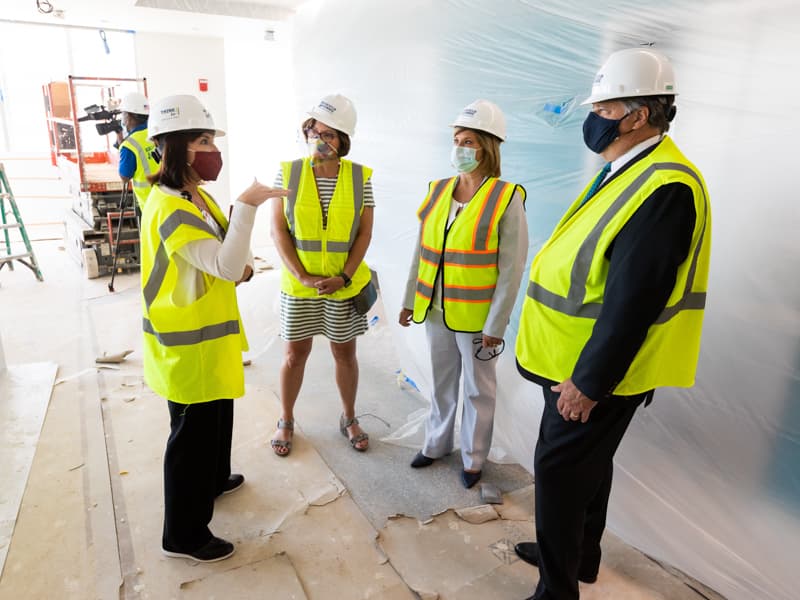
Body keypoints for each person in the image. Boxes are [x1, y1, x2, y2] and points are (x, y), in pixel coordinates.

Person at [514, 48, 712, 599]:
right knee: (588, 468)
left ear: (638, 115)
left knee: (557, 474)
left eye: (603, 107)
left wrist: (589, 384)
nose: (593, 117)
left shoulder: (664, 185)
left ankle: (556, 590)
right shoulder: (630, 169)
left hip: (595, 374)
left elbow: (636, 300)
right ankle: (581, 557)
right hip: (573, 360)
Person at [140, 94, 288, 562]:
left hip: (210, 332)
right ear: (177, 146)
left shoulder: (193, 195)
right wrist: (246, 207)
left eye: (211, 139)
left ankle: (213, 480)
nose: (211, 149)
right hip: (189, 342)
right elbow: (224, 264)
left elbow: (224, 254)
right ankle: (182, 535)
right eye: (202, 140)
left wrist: (238, 262)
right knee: (190, 438)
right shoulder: (171, 207)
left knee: (215, 419)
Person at [399, 100, 529, 489]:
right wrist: (409, 299)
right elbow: (421, 252)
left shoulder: (506, 197)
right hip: (435, 309)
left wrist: (497, 324)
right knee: (441, 383)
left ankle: (473, 459)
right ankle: (436, 444)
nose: (459, 148)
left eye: (468, 141)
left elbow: (512, 267)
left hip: (477, 319)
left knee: (477, 389)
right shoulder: (439, 191)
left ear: (488, 146)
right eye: (456, 140)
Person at [269, 93, 374, 456]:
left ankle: (349, 416)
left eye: (329, 134)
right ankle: (285, 418)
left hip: (343, 288)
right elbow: (278, 231)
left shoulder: (361, 177)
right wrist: (301, 276)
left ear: (343, 140)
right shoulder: (288, 172)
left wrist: (344, 277)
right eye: (315, 131)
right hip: (300, 288)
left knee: (345, 355)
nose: (320, 140)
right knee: (294, 356)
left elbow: (364, 233)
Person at [116, 92, 160, 209]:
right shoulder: (158, 132)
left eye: (123, 114)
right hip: (169, 197)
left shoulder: (129, 145)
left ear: (130, 116)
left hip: (149, 205)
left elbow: (125, 177)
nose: (122, 119)